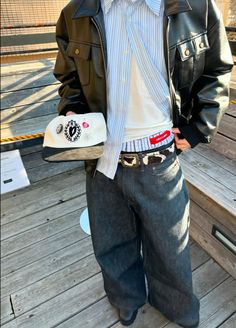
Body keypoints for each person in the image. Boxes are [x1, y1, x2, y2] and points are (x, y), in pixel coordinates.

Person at [54, 0, 233, 326]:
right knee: (112, 243)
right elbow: (69, 80)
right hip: (102, 162)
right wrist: (73, 112)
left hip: (161, 160)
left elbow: (217, 69)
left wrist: (199, 126)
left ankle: (177, 307)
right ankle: (126, 298)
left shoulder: (195, 7)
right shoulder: (76, 13)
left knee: (171, 249)